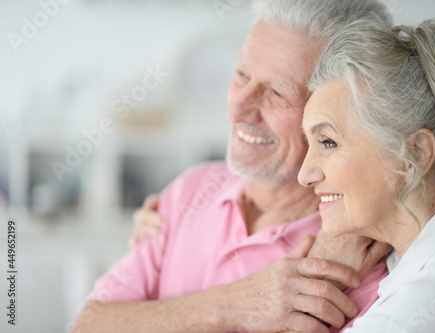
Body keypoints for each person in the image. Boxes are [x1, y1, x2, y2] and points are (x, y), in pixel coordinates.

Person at [72, 1, 393, 333]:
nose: (237, 108)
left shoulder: (354, 259)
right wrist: (232, 305)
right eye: (241, 73)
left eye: (277, 92)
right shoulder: (191, 189)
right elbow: (88, 325)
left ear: (338, 115)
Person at [298, 16, 435, 332]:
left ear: (414, 156)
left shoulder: (411, 315)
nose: (304, 175)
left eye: (328, 142)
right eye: (308, 142)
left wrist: (305, 299)